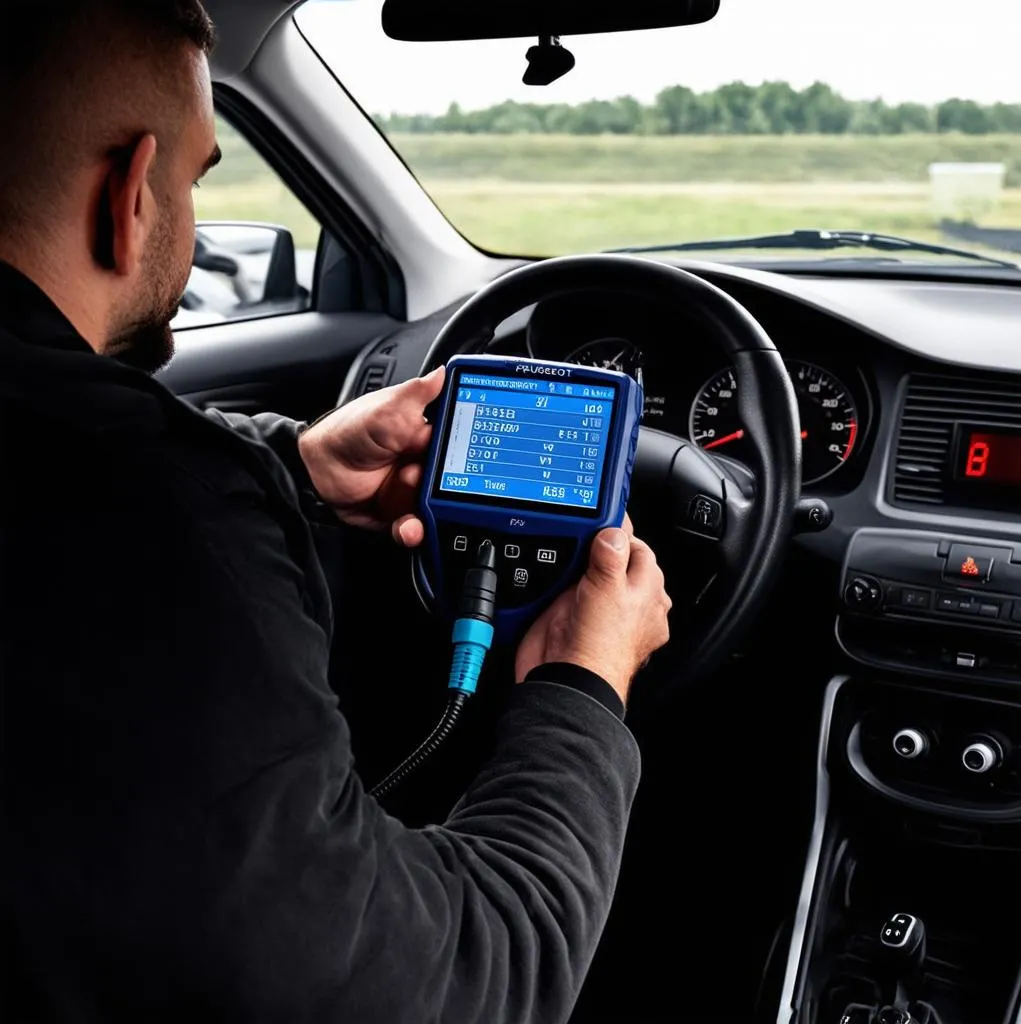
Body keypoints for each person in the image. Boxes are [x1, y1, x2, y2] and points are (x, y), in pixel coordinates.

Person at [0, 2, 672, 1021]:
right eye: (193, 179)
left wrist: (294, 469)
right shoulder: (155, 519)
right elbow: (456, 983)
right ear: (131, 194)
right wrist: (582, 687)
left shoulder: (108, 481)